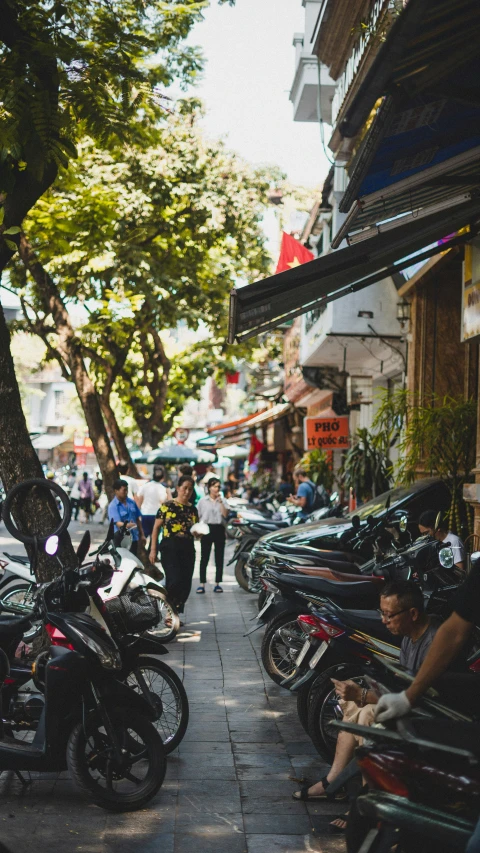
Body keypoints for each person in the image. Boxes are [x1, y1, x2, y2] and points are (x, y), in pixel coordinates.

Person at [293, 580, 439, 830]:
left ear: (413, 613)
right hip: (409, 705)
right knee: (353, 707)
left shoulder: (434, 642)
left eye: (389, 615)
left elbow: (416, 696)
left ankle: (365, 805)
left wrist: (363, 695)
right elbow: (400, 683)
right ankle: (335, 781)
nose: (384, 620)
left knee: (366, 714)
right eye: (382, 613)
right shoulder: (408, 637)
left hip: (429, 716)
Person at [149, 475, 199, 617]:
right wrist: (153, 549)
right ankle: (170, 614)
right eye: (184, 488)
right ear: (178, 488)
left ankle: (176, 612)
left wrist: (199, 534)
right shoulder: (167, 506)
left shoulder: (193, 510)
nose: (187, 492)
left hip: (188, 548)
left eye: (190, 489)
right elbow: (155, 528)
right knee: (174, 580)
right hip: (169, 547)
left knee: (186, 583)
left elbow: (195, 529)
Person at [196, 477, 229, 594]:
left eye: (218, 487)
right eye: (214, 486)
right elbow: (198, 516)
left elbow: (225, 515)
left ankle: (217, 583)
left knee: (219, 557)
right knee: (204, 557)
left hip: (219, 529)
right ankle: (202, 583)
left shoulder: (223, 500)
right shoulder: (202, 501)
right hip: (206, 529)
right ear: (209, 487)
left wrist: (220, 502)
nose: (217, 489)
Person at [108, 479, 146, 556]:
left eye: (127, 490)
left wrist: (142, 535)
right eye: (124, 490)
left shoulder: (131, 503)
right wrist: (130, 525)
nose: (126, 492)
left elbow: (137, 520)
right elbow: (118, 523)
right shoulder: (113, 506)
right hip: (121, 540)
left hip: (133, 538)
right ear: (116, 491)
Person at [137, 466, 171, 544]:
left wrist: (137, 515)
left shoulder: (145, 486)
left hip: (144, 514)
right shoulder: (162, 488)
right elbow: (163, 502)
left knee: (143, 536)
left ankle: (143, 553)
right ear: (163, 477)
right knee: (155, 539)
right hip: (156, 516)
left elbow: (140, 501)